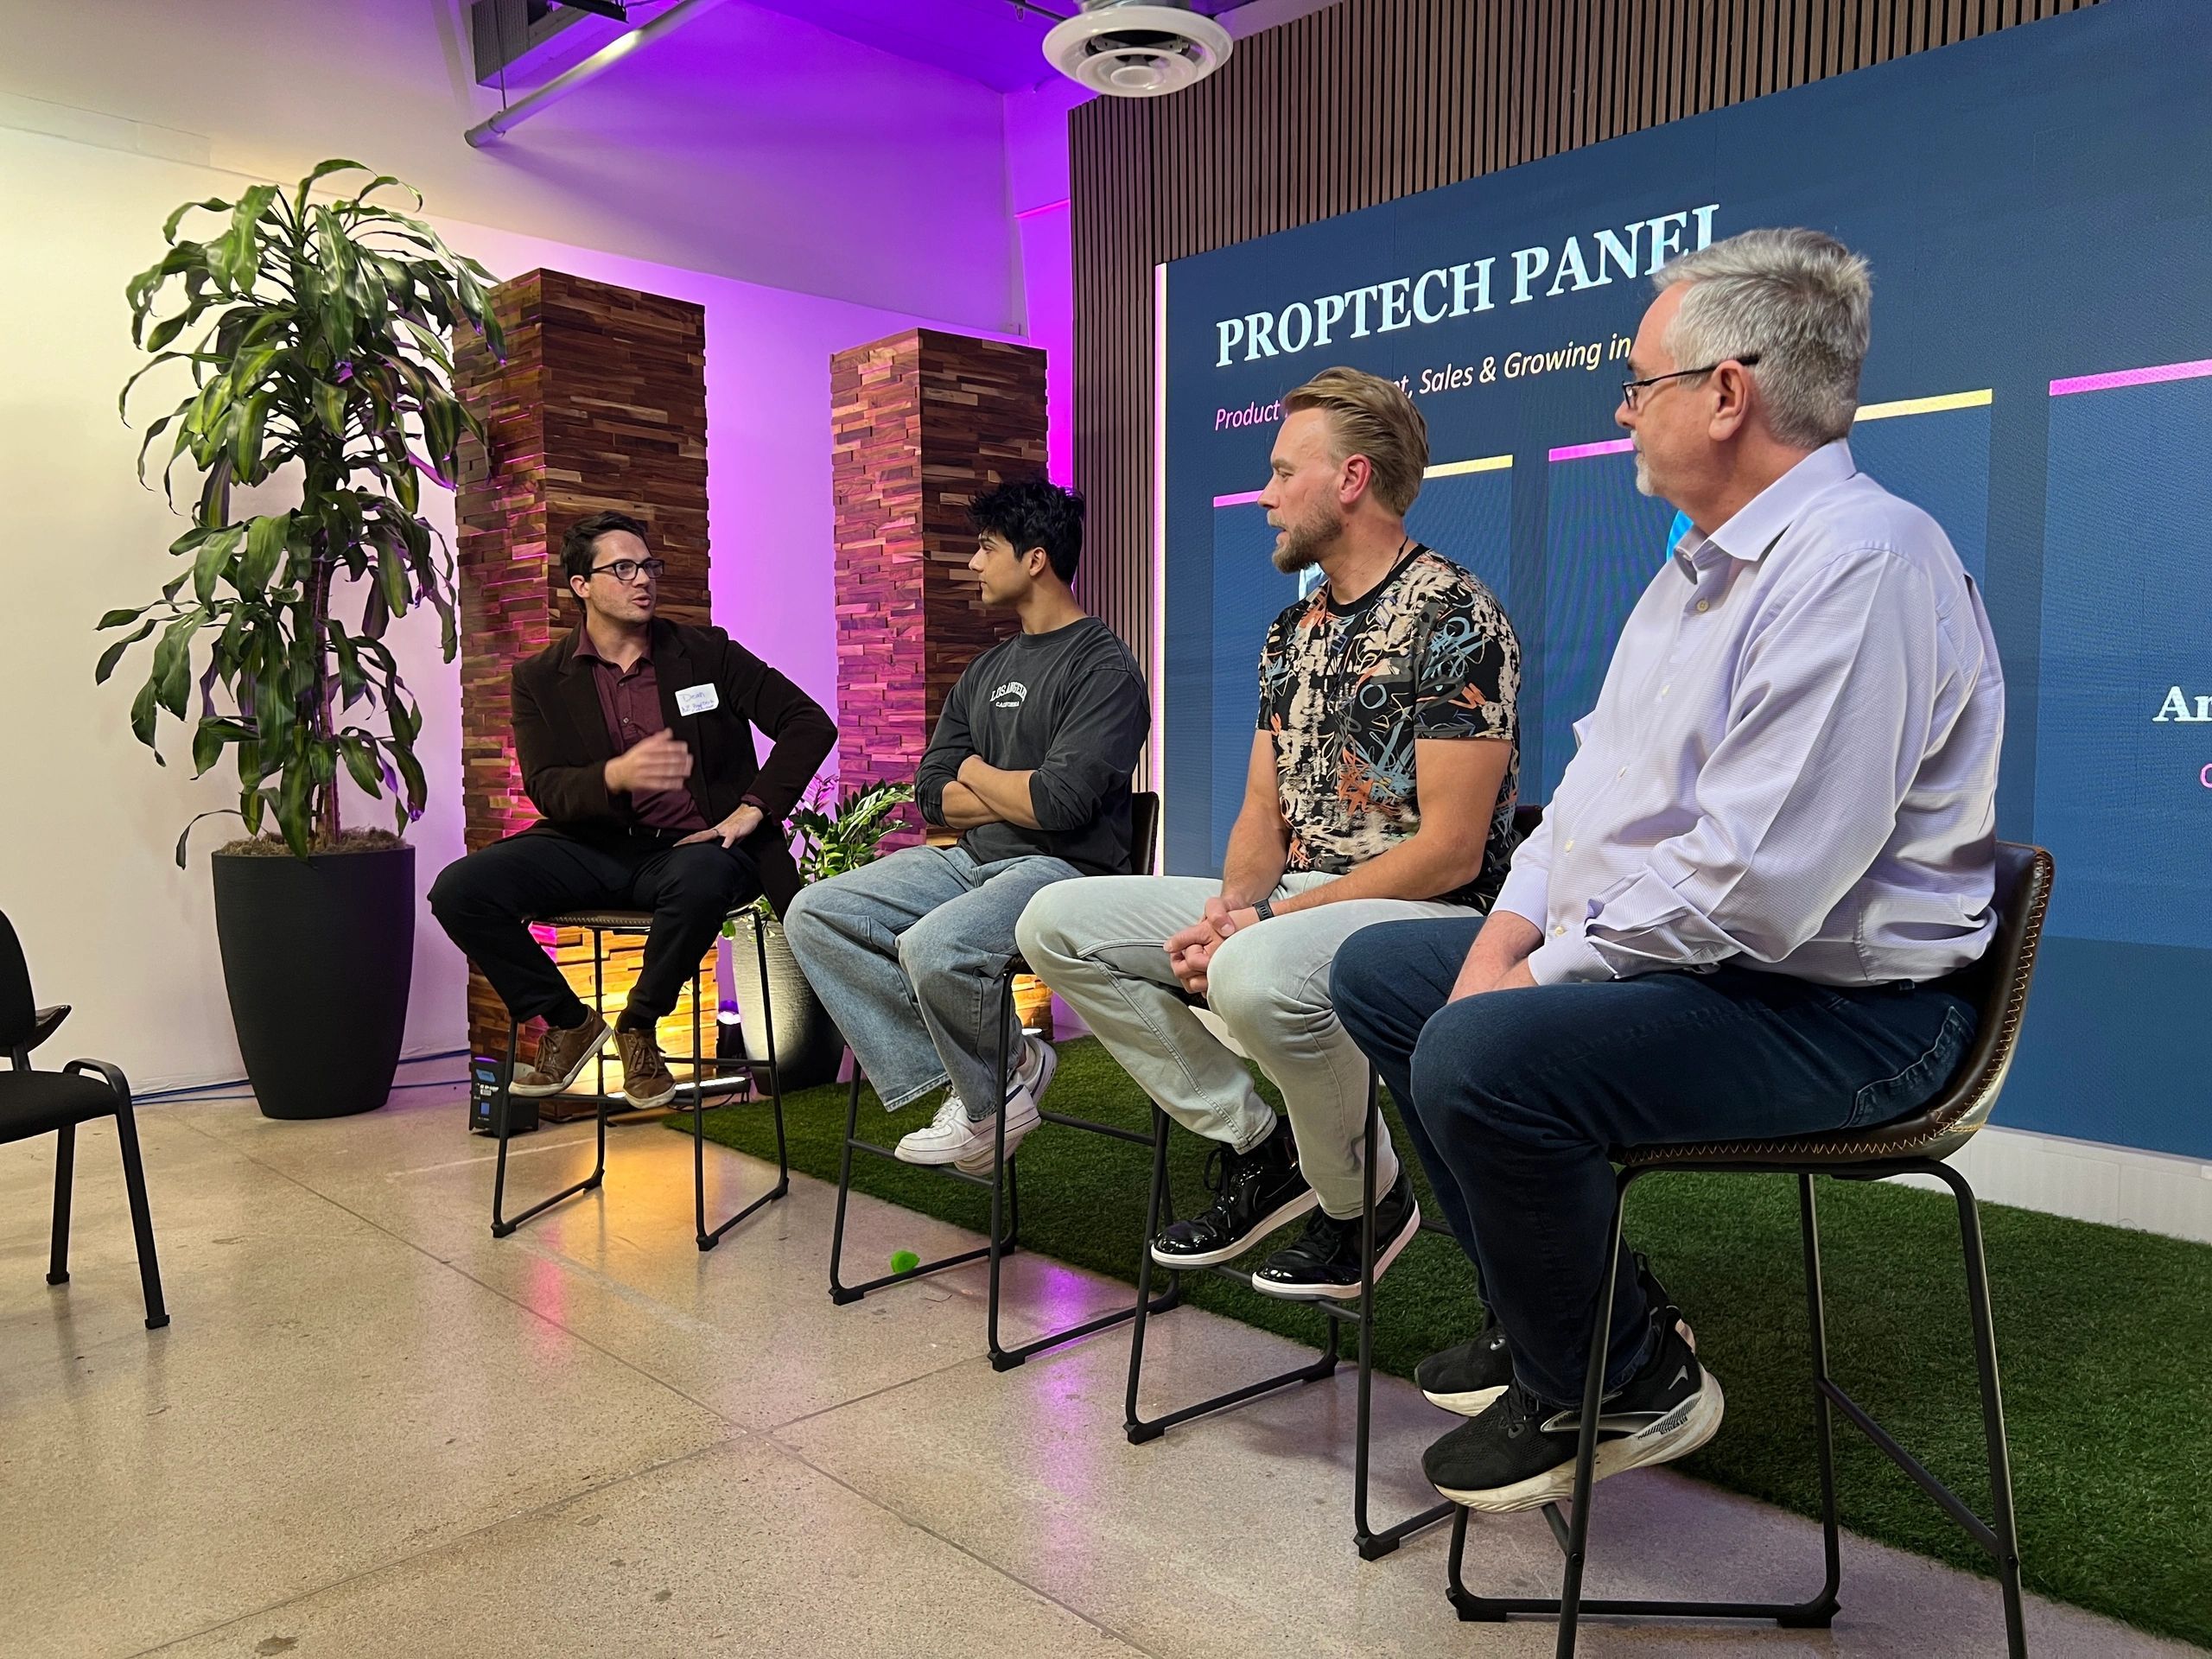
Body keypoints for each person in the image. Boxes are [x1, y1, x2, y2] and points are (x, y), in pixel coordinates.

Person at [1331, 227, 2005, 1516]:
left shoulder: (1864, 564)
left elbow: (1752, 885)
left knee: (1480, 1052)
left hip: (1858, 1018)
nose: (1625, 413)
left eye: (1639, 385)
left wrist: (1532, 982)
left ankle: (1624, 1380)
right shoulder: (1697, 574)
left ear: (1727, 393)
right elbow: (1591, 799)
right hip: (1738, 975)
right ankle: (1575, 1334)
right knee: (1387, 977)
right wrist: (1501, 939)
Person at [1019, 366, 1521, 1300]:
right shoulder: (1291, 631)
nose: (1263, 495)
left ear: (1352, 479)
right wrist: (1228, 911)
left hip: (1431, 916)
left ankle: (1361, 1205)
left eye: (1284, 472)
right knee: (1055, 921)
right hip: (1305, 903)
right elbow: (1263, 808)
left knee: (1254, 970)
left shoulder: (1455, 616)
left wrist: (1269, 929)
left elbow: (1452, 852)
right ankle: (1262, 1144)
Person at [783, 479, 1149, 1172]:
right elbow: (928, 792)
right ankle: (998, 1075)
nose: (973, 565)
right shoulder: (986, 669)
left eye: (985, 548)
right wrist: (1004, 787)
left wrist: (975, 773)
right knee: (815, 913)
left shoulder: (1104, 670)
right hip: (972, 862)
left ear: (1035, 559)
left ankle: (987, 1097)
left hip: (1064, 872)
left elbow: (1058, 807)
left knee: (934, 947)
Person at [429, 511, 836, 1110]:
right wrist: (614, 776)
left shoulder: (706, 653)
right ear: (581, 585)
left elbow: (807, 724)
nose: (642, 579)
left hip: (692, 848)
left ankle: (640, 1024)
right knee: (460, 890)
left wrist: (753, 809)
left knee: (702, 880)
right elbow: (548, 789)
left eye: (648, 566)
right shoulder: (539, 679)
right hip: (591, 847)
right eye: (622, 568)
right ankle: (569, 1023)